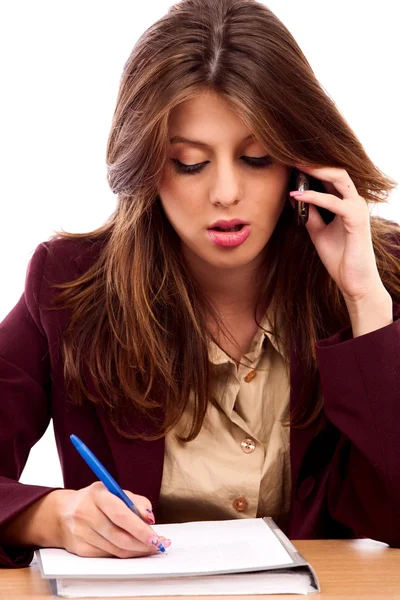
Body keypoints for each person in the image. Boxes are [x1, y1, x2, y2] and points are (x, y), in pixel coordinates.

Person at [1, 0, 400, 569]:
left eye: (258, 157)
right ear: (146, 166)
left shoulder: (377, 275)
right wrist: (52, 516)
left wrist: (366, 303)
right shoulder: (69, 287)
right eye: (190, 163)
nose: (226, 193)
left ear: (300, 162)